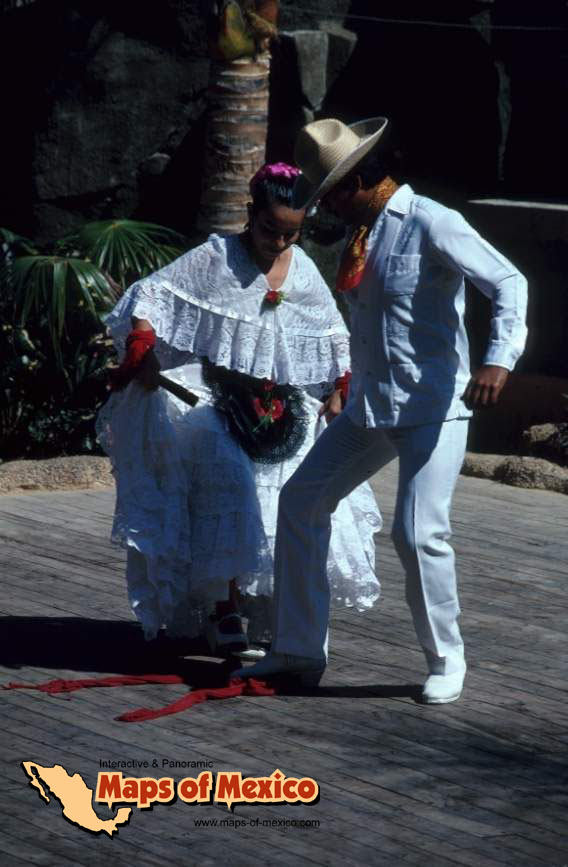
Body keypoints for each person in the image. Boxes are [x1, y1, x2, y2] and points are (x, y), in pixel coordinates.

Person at [235, 118, 528, 701]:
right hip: (370, 407)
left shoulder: (431, 221)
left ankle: (446, 660)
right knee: (301, 501)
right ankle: (297, 649)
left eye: (330, 196)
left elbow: (508, 280)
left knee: (417, 533)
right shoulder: (363, 235)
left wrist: (499, 359)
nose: (326, 208)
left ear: (356, 184)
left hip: (431, 406)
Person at [97, 161, 382, 659]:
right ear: (252, 214)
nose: (279, 242)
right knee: (228, 477)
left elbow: (334, 332)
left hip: (277, 404)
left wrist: (341, 386)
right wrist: (142, 344)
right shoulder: (216, 257)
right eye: (271, 230)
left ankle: (270, 610)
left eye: (291, 234)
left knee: (287, 489)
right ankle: (222, 608)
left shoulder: (302, 268)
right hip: (215, 395)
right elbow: (151, 293)